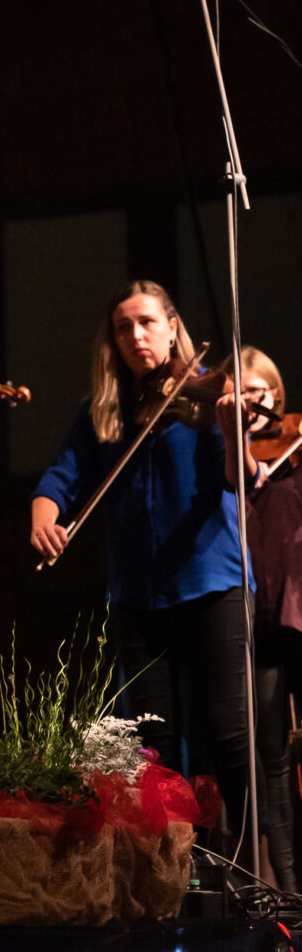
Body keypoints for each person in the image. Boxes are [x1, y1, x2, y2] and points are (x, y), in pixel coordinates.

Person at [30, 281, 255, 851]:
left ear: (172, 327)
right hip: (137, 596)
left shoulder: (207, 396)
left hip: (212, 582)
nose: (135, 335)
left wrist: (232, 430)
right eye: (124, 327)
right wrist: (44, 516)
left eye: (147, 322)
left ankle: (261, 870)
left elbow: (241, 481)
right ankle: (169, 876)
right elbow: (60, 477)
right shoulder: (103, 413)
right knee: (152, 746)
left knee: (230, 737)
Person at [240, 348, 300, 888]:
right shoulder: (223, 457)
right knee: (271, 752)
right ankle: (286, 883)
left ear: (276, 397)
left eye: (260, 392)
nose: (252, 402)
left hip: (297, 605)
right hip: (254, 616)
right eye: (242, 392)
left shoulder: (294, 446)